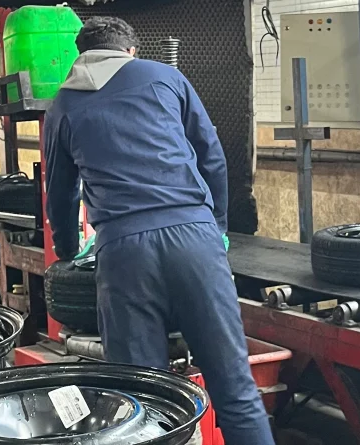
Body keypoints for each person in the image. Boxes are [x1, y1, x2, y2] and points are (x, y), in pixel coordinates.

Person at [44, 17, 274, 445]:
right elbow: (212, 156)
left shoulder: (62, 105)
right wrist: (217, 226)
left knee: (140, 400)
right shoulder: (165, 76)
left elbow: (59, 192)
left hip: (123, 251)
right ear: (131, 50)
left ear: (81, 55)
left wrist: (68, 249)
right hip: (194, 239)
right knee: (235, 388)